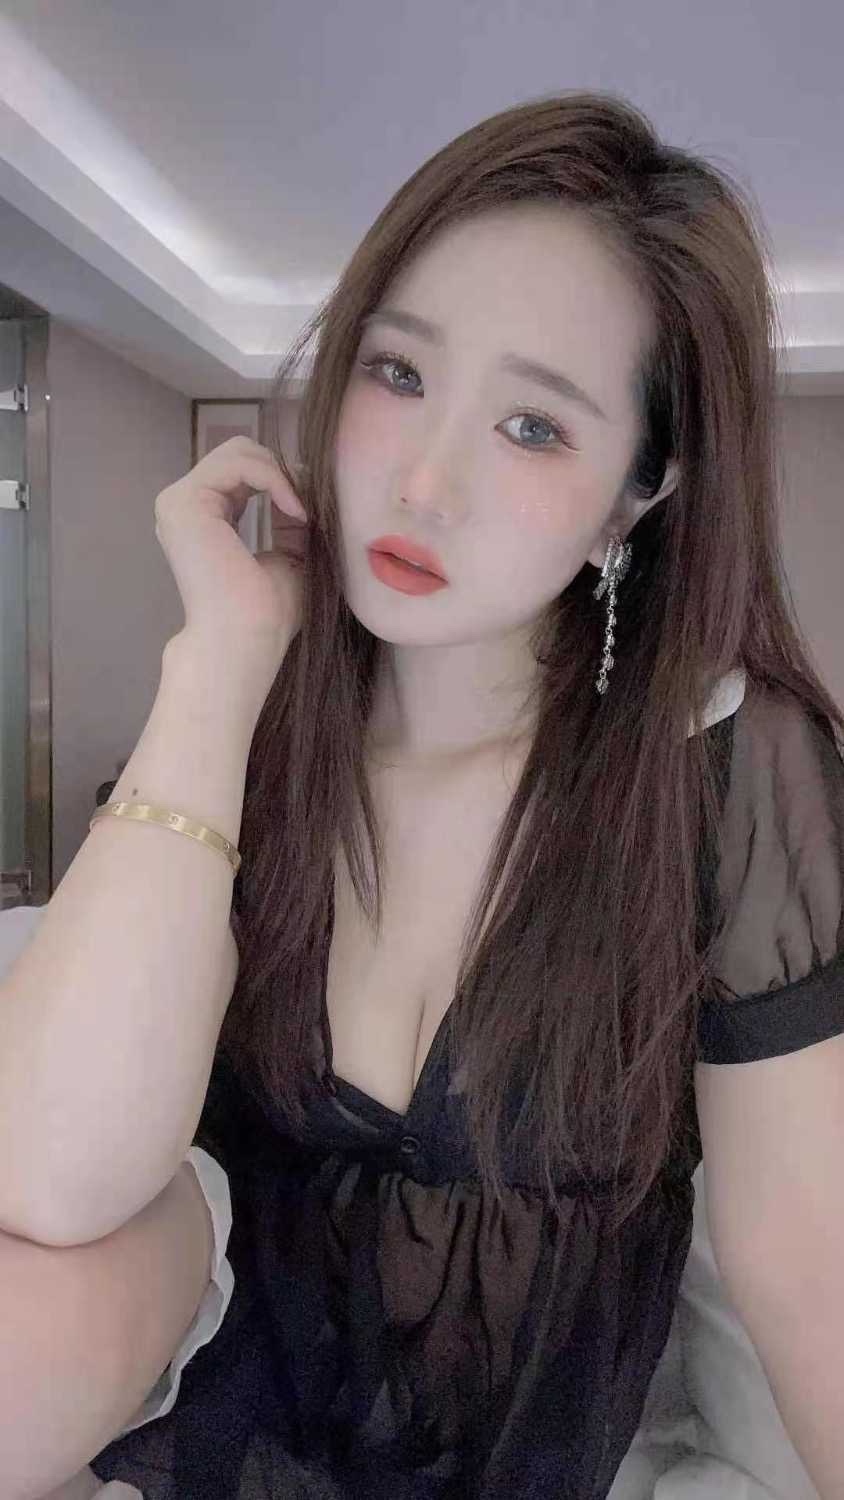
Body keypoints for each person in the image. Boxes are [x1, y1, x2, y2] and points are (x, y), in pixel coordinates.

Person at [4, 90, 843, 1499]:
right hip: (215, 1432)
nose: (427, 482)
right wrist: (218, 663)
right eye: (398, 373)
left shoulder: (724, 775)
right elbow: (45, 1180)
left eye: (533, 426)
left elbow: (808, 1260)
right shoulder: (251, 741)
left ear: (635, 497)